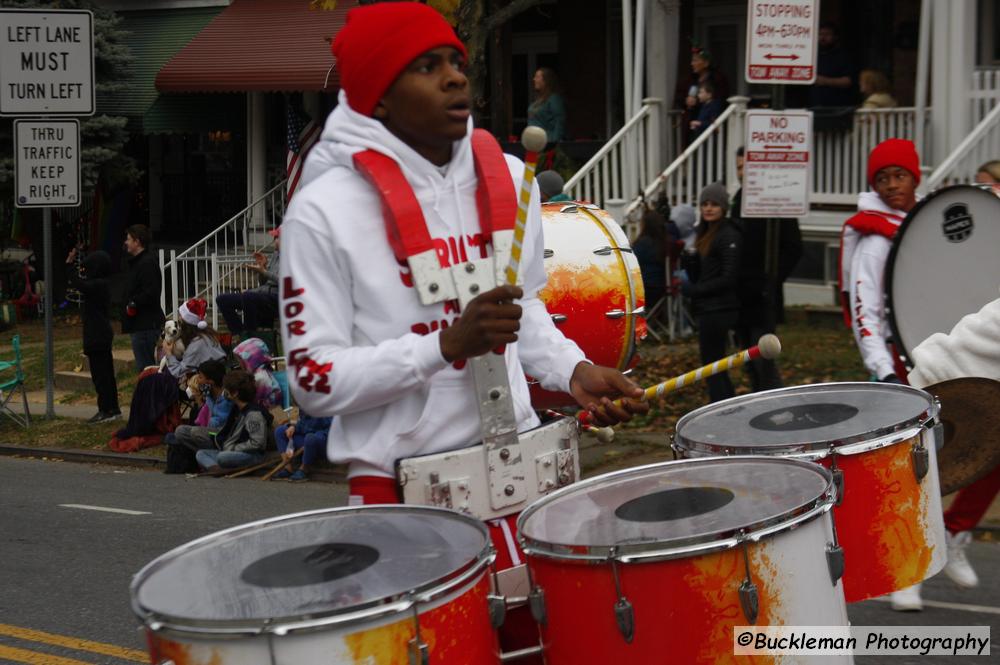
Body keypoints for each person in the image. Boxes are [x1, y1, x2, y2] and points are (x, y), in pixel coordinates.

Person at [281, 3, 646, 657]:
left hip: (526, 478)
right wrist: (444, 345)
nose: (454, 79)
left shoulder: (511, 175)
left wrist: (572, 370)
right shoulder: (326, 210)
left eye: (456, 61)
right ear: (378, 99)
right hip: (403, 495)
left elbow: (524, 309)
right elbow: (313, 377)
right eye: (426, 67)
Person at [888, 291, 1000, 611]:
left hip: (987, 393)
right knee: (926, 473)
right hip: (951, 383)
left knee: (990, 465)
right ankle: (909, 564)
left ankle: (953, 531)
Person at [838, 138, 920, 385]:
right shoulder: (875, 241)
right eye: (882, 179)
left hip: (936, 352)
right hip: (897, 359)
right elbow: (865, 310)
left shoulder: (926, 224)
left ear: (915, 179)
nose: (892, 186)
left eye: (899, 176)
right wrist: (885, 370)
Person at [731, 147, 803, 392]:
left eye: (747, 167)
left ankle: (779, 413)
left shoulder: (776, 200)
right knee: (748, 363)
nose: (743, 173)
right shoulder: (738, 199)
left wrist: (771, 281)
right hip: (739, 296)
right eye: (739, 167)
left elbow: (794, 247)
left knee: (765, 361)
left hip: (763, 297)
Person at [680, 182, 742, 402]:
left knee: (714, 365)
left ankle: (723, 406)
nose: (708, 208)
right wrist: (689, 260)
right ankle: (724, 405)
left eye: (714, 204)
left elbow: (728, 277)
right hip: (707, 307)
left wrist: (695, 291)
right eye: (705, 204)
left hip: (720, 308)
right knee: (712, 364)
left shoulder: (728, 235)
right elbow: (702, 272)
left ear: (723, 207)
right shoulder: (703, 233)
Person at [65, 247, 120, 423]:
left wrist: (69, 265)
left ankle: (106, 409)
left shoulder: (98, 285)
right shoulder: (101, 284)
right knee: (106, 374)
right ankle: (112, 408)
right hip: (99, 335)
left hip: (98, 336)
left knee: (101, 376)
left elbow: (79, 284)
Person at [195, 370, 272, 472]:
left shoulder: (253, 414)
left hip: (250, 454)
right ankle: (218, 469)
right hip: (232, 451)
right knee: (201, 453)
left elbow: (257, 443)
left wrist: (233, 448)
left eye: (226, 389)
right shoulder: (236, 409)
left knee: (222, 457)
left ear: (235, 393)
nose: (224, 392)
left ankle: (221, 466)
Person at [215, 227, 281, 339]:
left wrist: (264, 272)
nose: (274, 240)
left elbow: (285, 281)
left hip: (278, 298)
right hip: (264, 293)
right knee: (222, 299)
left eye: (277, 237)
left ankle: (250, 336)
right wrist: (262, 268)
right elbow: (263, 282)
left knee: (249, 297)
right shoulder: (276, 254)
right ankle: (240, 335)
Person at [122, 224, 166, 373]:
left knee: (148, 370)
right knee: (145, 368)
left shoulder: (147, 263)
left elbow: (151, 292)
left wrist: (133, 303)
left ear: (137, 241)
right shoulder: (138, 263)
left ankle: (152, 395)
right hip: (140, 325)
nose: (126, 242)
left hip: (146, 326)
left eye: (128, 239)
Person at [163, 298, 226, 380]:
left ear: (186, 323)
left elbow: (178, 372)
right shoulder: (207, 335)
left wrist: (168, 353)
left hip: (207, 382)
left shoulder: (197, 343)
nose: (179, 318)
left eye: (180, 317)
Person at [680, 46, 729, 144]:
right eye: (692, 61)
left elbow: (720, 100)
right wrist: (686, 101)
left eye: (695, 61)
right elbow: (680, 95)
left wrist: (698, 101)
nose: (692, 64)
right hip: (692, 123)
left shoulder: (717, 79)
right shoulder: (691, 79)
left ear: (706, 63)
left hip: (707, 124)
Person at [273, 411, 333, 482]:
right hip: (306, 439)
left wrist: (312, 436)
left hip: (321, 441)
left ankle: (304, 469)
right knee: (279, 431)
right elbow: (302, 424)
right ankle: (288, 468)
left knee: (310, 438)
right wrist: (293, 427)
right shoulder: (305, 404)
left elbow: (330, 429)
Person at [810, 23, 856, 108]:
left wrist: (824, 81)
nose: (823, 38)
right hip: (814, 105)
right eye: (820, 34)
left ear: (835, 37)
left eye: (827, 34)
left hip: (837, 107)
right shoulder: (812, 54)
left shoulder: (843, 56)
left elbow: (848, 81)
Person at [233, 337, 283, 411]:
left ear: (252, 359)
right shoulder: (262, 372)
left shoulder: (259, 378)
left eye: (241, 359)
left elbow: (253, 402)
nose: (239, 363)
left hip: (265, 414)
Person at [632, 209, 669, 308]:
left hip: (645, 289)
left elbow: (631, 264)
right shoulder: (664, 242)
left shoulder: (643, 243)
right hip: (661, 288)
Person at [527, 66, 565, 144]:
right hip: (534, 142)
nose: (534, 79)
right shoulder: (538, 100)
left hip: (546, 142)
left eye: (537, 77)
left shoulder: (553, 99)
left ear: (546, 81)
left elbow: (560, 120)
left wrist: (554, 141)